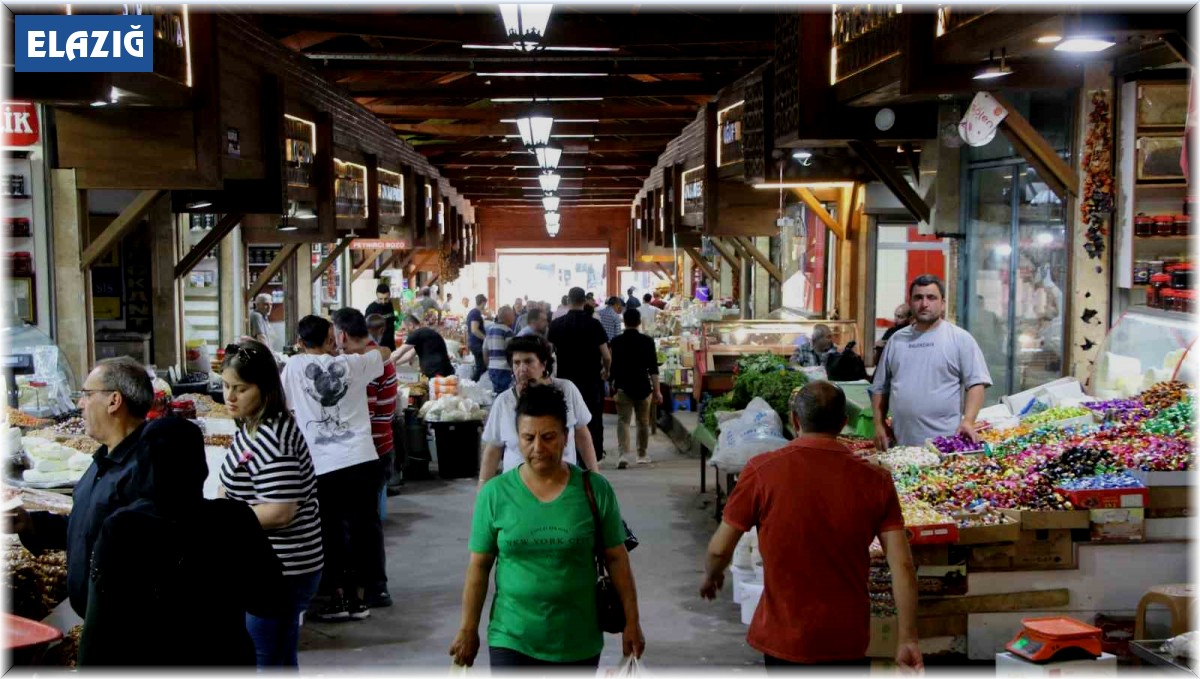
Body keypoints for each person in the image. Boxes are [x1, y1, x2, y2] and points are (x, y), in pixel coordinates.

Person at [700, 382, 922, 671]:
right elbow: (902, 565)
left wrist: (713, 575)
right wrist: (908, 638)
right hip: (847, 638)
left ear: (795, 421)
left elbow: (719, 549)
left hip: (784, 637)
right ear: (843, 423)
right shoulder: (876, 480)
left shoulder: (762, 471)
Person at [450, 384, 644, 669]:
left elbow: (617, 559)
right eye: (528, 438)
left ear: (566, 436)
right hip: (511, 637)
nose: (538, 448)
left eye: (548, 437)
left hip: (577, 641)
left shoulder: (595, 490)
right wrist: (468, 629)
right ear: (517, 437)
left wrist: (632, 622)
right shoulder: (494, 494)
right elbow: (479, 566)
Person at [4, 357, 204, 618]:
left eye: (87, 394)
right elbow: (88, 529)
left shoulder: (148, 469)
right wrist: (30, 524)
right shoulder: (103, 461)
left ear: (114, 401)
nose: (80, 404)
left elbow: (153, 557)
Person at [79, 424, 286, 667]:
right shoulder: (233, 520)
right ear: (201, 468)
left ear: (142, 468)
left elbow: (99, 628)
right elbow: (270, 600)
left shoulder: (122, 529)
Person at [218, 339, 324, 668]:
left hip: (281, 570)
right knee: (279, 658)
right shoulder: (253, 425)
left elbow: (280, 511)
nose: (230, 396)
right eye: (226, 386)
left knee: (264, 662)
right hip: (270, 567)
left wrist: (224, 518)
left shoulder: (273, 438)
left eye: (241, 389)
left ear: (264, 389)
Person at [281, 315, 390, 621]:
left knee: (330, 531)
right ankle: (364, 596)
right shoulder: (352, 364)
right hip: (361, 459)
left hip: (322, 465)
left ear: (300, 342)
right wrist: (356, 351)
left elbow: (282, 403)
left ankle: (337, 597)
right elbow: (385, 353)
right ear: (332, 338)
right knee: (364, 529)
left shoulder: (293, 366)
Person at [871, 274, 992, 451]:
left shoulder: (960, 339)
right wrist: (879, 424)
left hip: (946, 445)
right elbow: (880, 388)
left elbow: (976, 383)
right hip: (901, 445)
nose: (924, 304)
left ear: (943, 303)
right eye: (918, 298)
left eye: (931, 297)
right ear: (910, 302)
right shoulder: (896, 340)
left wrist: (968, 421)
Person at [332, 308, 397, 609]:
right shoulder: (377, 357)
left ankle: (369, 587)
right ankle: (370, 586)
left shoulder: (363, 363)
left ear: (342, 334)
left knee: (359, 523)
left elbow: (365, 413)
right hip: (380, 448)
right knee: (366, 521)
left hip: (366, 453)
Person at [479, 335, 600, 486]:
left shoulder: (567, 390)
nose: (522, 369)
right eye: (516, 363)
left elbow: (582, 436)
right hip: (518, 488)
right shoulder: (504, 402)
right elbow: (493, 449)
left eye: (528, 361)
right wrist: (482, 487)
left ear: (543, 364)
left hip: (563, 483)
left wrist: (595, 476)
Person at [548, 287, 613, 463]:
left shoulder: (556, 324)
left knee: (566, 417)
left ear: (568, 301)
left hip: (565, 380)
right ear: (584, 301)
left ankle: (568, 453)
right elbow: (606, 356)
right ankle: (593, 455)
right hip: (591, 381)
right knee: (592, 418)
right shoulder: (594, 324)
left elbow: (547, 353)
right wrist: (606, 370)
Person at [609, 309, 662, 469]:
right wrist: (657, 391)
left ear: (624, 322)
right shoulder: (647, 341)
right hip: (643, 386)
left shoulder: (616, 341)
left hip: (622, 386)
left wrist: (612, 383)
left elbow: (612, 366)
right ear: (639, 322)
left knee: (623, 421)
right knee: (643, 421)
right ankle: (642, 454)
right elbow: (653, 369)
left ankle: (623, 455)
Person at [393, 314, 454, 378]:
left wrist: (388, 364)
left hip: (439, 376)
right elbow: (409, 356)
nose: (404, 333)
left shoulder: (417, 333)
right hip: (442, 374)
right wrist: (394, 363)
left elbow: (397, 354)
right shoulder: (422, 333)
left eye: (404, 329)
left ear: (411, 325)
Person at [484, 305, 516, 393]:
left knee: (495, 392)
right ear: (508, 317)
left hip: (492, 368)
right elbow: (510, 352)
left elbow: (485, 350)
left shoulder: (490, 330)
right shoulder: (508, 332)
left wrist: (489, 365)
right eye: (513, 315)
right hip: (504, 369)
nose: (514, 317)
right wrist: (513, 368)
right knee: (503, 393)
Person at [364, 284, 398, 351]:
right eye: (380, 299)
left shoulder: (390, 304)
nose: (383, 301)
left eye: (386, 299)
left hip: (391, 345)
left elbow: (391, 322)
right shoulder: (371, 309)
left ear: (389, 295)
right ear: (376, 295)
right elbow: (366, 330)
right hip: (377, 347)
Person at [466, 294, 488, 381]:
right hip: (477, 344)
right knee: (481, 367)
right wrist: (485, 339)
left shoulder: (472, 312)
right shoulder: (475, 314)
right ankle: (473, 383)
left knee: (480, 366)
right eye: (485, 304)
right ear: (483, 303)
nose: (485, 306)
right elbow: (474, 330)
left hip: (474, 343)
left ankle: (474, 382)